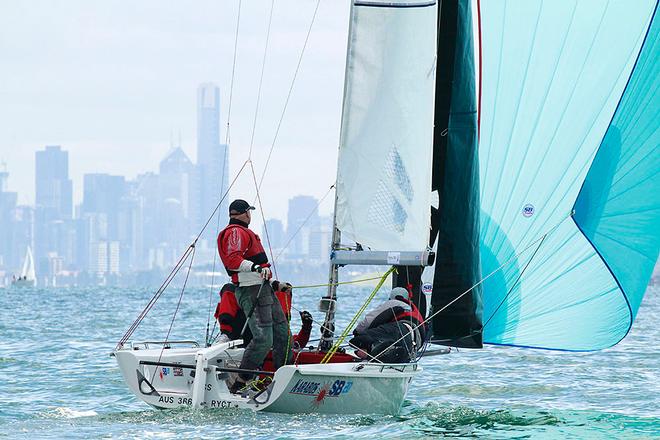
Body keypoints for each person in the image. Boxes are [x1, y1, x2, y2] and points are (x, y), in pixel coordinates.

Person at [217, 199, 291, 393]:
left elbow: (255, 274)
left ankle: (285, 376)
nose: (250, 215)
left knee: (283, 333)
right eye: (249, 212)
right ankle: (241, 380)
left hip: (263, 289)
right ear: (245, 213)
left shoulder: (242, 232)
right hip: (251, 292)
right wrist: (257, 267)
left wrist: (276, 285)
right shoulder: (235, 231)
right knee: (263, 339)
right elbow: (234, 260)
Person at [349, 287, 426, 363]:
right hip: (414, 343)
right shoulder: (413, 309)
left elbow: (369, 320)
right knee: (386, 345)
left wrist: (357, 333)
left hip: (402, 330)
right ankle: (373, 355)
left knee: (360, 340)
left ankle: (366, 354)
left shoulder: (394, 302)